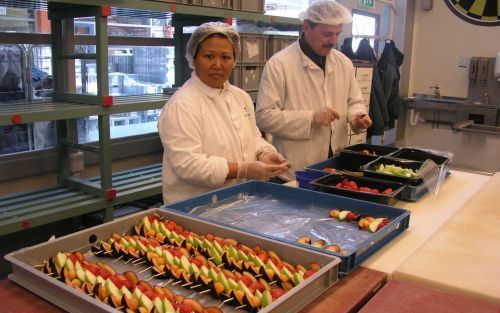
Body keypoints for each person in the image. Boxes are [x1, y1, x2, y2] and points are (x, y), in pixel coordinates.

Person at [158, 22, 289, 203]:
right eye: (209, 56)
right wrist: (242, 170)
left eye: (226, 57)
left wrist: (265, 154)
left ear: (234, 61)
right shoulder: (182, 104)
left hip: (239, 202)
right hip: (195, 207)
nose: (217, 64)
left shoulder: (240, 97)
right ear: (193, 58)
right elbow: (188, 165)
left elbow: (252, 137)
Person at [255, 0, 372, 179]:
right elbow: (264, 117)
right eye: (326, 34)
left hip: (335, 166)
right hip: (294, 170)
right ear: (306, 27)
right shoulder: (279, 64)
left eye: (337, 34)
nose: (333, 41)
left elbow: (354, 101)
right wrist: (310, 118)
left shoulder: (343, 63)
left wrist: (357, 117)